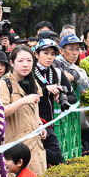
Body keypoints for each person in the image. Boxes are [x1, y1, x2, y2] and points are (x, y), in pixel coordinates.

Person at [0, 46, 47, 177]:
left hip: (36, 146)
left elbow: (34, 112)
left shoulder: (33, 82)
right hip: (16, 150)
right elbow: (1, 112)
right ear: (12, 63)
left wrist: (40, 126)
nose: (25, 64)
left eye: (29, 60)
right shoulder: (5, 84)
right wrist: (23, 100)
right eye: (20, 61)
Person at [33, 38, 73, 167]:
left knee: (55, 157)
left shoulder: (57, 72)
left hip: (49, 123)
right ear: (36, 54)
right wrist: (46, 90)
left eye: (52, 54)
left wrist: (61, 94)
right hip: (32, 122)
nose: (49, 57)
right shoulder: (29, 72)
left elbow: (72, 96)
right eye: (45, 53)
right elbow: (26, 94)